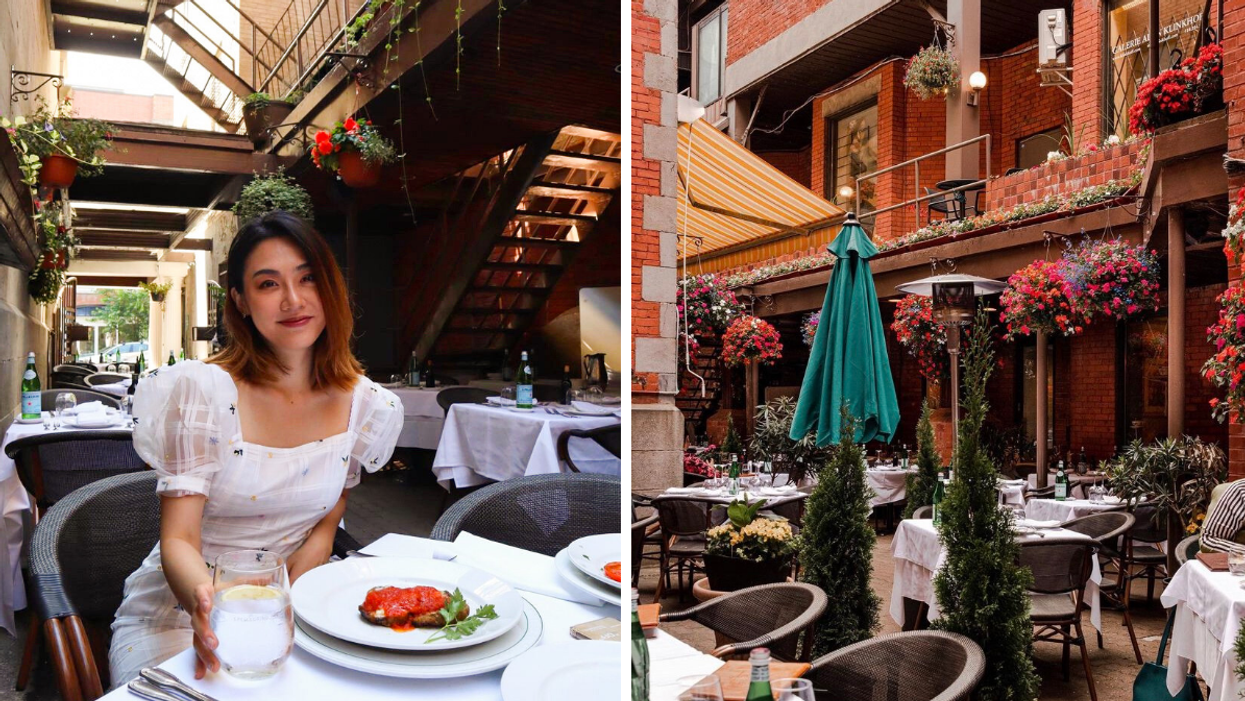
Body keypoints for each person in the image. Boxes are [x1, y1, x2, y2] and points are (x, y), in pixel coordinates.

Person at [109, 211, 404, 687]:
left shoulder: (365, 404)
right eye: (268, 285)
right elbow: (179, 539)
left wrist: (278, 604)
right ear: (242, 303)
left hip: (298, 607)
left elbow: (325, 527)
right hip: (184, 611)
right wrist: (211, 610)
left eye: (307, 278)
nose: (293, 300)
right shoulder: (202, 392)